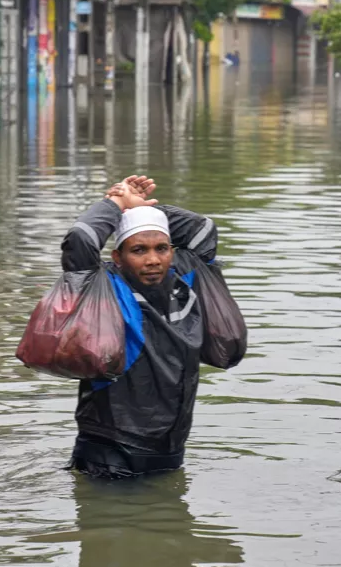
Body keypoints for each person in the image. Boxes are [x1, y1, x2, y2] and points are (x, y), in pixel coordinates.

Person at [60, 175, 233, 478]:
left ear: (172, 252)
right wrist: (115, 205)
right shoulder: (104, 289)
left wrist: (141, 209)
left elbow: (202, 229)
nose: (153, 259)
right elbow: (80, 240)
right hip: (111, 451)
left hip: (170, 447)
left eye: (161, 248)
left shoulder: (185, 279)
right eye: (139, 250)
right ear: (118, 257)